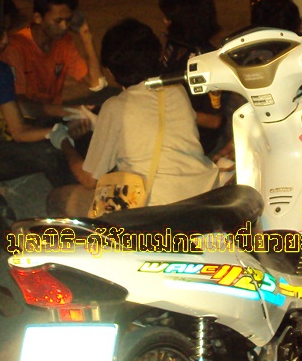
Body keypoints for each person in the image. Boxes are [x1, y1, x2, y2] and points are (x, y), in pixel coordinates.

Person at [53, 18, 219, 215]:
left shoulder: (115, 107)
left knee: (58, 198)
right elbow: (152, 124)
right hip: (203, 196)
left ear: (110, 71)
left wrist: (63, 141)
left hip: (155, 209)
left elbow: (89, 179)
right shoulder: (176, 90)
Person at [0, 0, 75, 234]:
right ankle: (23, 252)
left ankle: (76, 213)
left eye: (7, 31)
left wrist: (56, 132)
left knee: (50, 154)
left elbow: (18, 131)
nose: (5, 40)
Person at [0, 0, 104, 122]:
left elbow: (97, 83)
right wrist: (75, 111)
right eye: (58, 21)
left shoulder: (63, 41)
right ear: (38, 18)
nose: (64, 27)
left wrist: (86, 36)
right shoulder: (16, 47)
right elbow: (20, 107)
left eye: (68, 20)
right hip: (24, 124)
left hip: (51, 117)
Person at [158, 0, 229, 156]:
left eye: (169, 18)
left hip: (197, 139)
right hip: (171, 125)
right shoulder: (175, 44)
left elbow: (214, 120)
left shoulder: (208, 61)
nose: (164, 21)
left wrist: (168, 114)